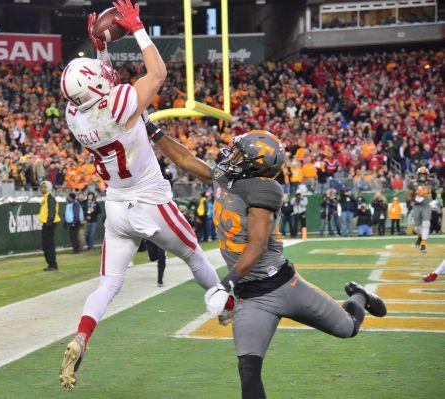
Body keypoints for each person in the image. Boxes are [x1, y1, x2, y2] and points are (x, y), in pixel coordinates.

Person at [145, 122, 386, 399]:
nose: (231, 157)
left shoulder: (264, 191)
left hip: (284, 286)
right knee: (248, 368)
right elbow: (185, 159)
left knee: (348, 329)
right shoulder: (226, 176)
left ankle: (359, 297)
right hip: (252, 296)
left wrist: (225, 284)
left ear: (255, 166)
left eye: (239, 155)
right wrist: (151, 128)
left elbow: (257, 244)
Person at [59, 2, 222, 390]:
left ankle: (81, 335)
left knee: (108, 285)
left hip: (115, 204)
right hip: (149, 200)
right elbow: (158, 73)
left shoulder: (75, 116)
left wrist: (100, 47)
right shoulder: (118, 105)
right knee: (194, 255)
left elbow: (104, 81)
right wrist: (137, 28)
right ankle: (225, 303)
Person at [407, 166, 434, 253]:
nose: (422, 176)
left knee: (426, 223)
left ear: (427, 175)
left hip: (426, 205)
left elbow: (434, 195)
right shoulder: (413, 183)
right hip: (417, 206)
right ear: (418, 175)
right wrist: (413, 200)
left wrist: (432, 199)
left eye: (424, 174)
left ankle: (423, 244)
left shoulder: (431, 183)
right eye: (421, 174)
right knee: (418, 227)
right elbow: (408, 196)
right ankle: (420, 237)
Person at [39, 180, 60, 271]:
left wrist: (49, 223)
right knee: (46, 245)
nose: (43, 189)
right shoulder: (45, 198)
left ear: (49, 188)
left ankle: (53, 265)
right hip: (46, 223)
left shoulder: (50, 198)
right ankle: (50, 264)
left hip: (49, 224)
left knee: (49, 245)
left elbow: (52, 211)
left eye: (45, 187)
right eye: (42, 187)